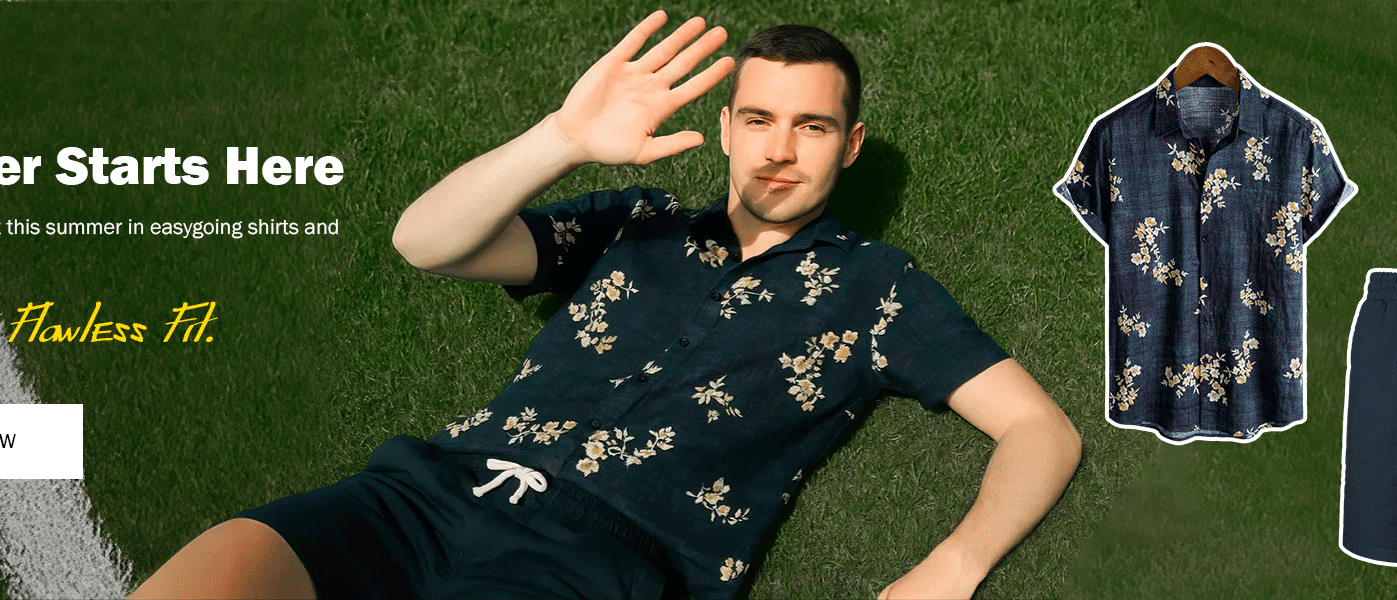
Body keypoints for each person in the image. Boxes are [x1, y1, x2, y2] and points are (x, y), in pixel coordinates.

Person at [131, 12, 1079, 599]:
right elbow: (426, 242)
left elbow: (1040, 430)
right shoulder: (638, 221)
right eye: (758, 119)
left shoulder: (879, 290)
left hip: (604, 561)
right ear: (725, 128)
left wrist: (950, 569)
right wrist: (563, 138)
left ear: (851, 143)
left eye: (812, 126)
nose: (780, 150)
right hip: (428, 494)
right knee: (219, 570)